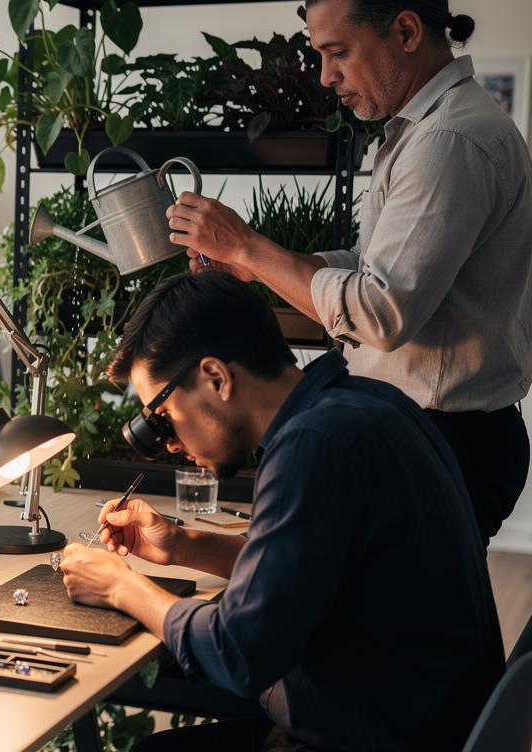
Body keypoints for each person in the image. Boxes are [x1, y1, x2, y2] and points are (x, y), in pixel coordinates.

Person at [59, 271, 504, 751]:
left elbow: (239, 654)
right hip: (428, 724)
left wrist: (121, 585)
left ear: (216, 377)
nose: (168, 443)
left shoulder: (314, 447)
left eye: (162, 417)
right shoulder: (364, 404)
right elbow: (311, 571)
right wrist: (184, 544)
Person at [165, 0, 532, 546]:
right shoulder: (422, 130)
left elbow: (381, 311)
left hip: (446, 438)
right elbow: (370, 269)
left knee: (394, 622)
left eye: (337, 52)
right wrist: (256, 267)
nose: (325, 76)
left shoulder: (448, 141)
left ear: (406, 30)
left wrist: (247, 247)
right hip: (432, 430)